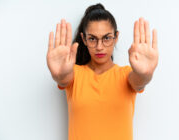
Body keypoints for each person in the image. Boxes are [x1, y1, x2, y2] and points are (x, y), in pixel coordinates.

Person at [46, 3, 158, 140]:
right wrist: (59, 75)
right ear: (84, 39)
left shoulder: (125, 75)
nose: (99, 47)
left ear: (116, 37)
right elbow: (63, 78)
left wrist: (145, 74)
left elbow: (139, 82)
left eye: (106, 38)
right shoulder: (74, 73)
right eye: (92, 39)